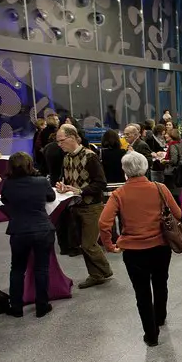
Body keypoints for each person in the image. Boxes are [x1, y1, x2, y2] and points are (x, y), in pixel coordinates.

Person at [99, 152, 181, 346]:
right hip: (160, 246)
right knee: (161, 283)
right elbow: (177, 214)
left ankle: (150, 334)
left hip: (134, 251)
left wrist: (110, 245)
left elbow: (104, 223)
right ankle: (160, 317)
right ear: (145, 167)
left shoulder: (119, 194)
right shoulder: (160, 188)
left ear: (124, 171)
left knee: (142, 292)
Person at [55, 124, 113, 289]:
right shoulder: (66, 158)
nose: (59, 144)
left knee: (89, 244)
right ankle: (95, 275)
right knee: (84, 244)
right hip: (75, 206)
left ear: (72, 137)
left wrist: (80, 191)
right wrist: (63, 186)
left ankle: (105, 270)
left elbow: (101, 183)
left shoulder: (90, 156)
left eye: (61, 140)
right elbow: (68, 180)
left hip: (92, 206)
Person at [1, 153, 56, 318]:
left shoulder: (8, 184)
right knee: (42, 268)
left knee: (17, 269)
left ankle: (16, 306)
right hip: (42, 229)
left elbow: (5, 200)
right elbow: (51, 197)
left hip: (18, 230)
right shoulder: (41, 181)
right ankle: (42, 305)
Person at [162, 129, 182, 200]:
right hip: (177, 171)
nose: (165, 135)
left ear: (172, 136)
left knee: (171, 191)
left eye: (167, 134)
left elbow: (174, 160)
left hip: (171, 171)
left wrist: (165, 161)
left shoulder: (172, 145)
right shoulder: (178, 143)